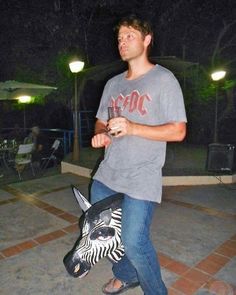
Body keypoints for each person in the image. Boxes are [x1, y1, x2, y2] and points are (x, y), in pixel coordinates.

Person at [90, 15, 187, 295]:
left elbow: (178, 131)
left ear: (146, 40)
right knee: (108, 237)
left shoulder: (163, 80)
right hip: (108, 175)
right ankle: (125, 274)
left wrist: (133, 127)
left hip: (142, 176)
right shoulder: (112, 84)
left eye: (129, 36)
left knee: (134, 241)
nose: (122, 42)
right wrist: (102, 133)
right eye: (119, 38)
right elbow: (100, 121)